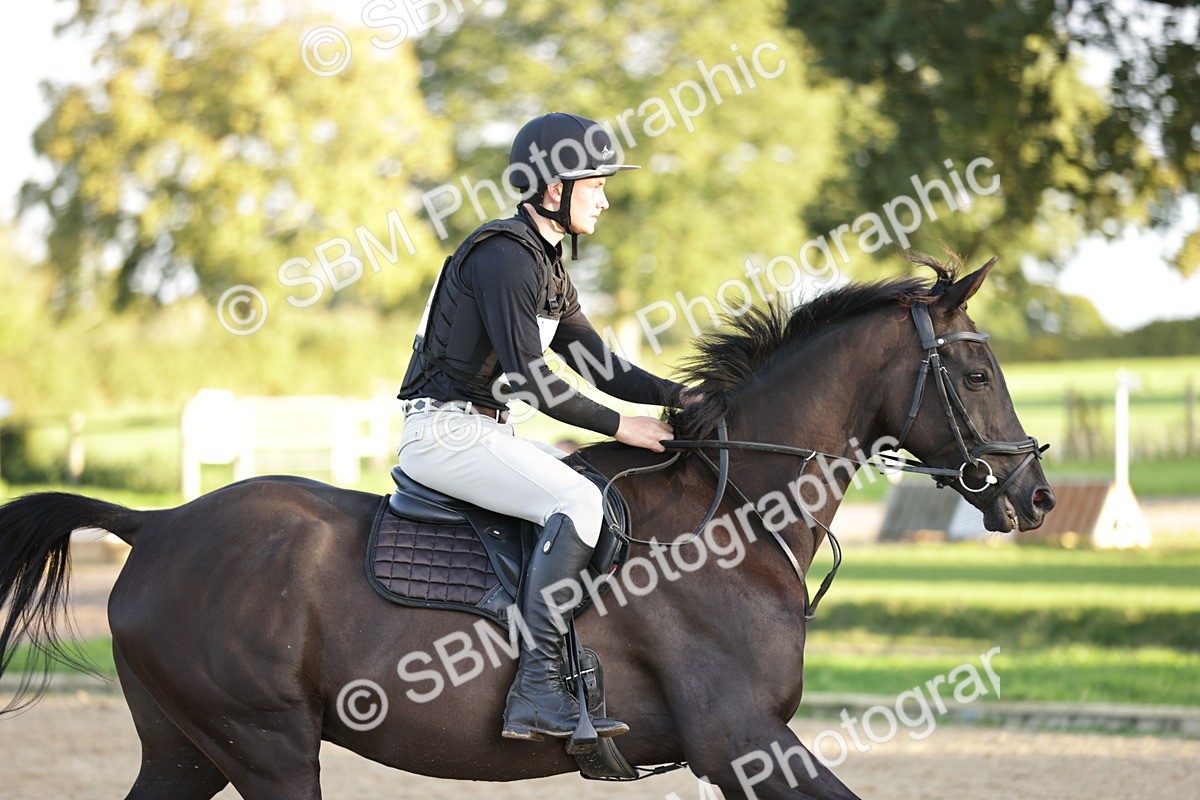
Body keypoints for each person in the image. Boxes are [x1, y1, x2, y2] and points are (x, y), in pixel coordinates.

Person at [396, 112, 691, 743]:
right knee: (579, 498)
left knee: (590, 486)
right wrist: (622, 427)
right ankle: (537, 690)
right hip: (445, 434)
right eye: (595, 185)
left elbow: (599, 365)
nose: (606, 199)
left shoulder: (546, 265)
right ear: (553, 188)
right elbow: (534, 380)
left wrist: (685, 399)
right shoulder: (505, 257)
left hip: (482, 433)